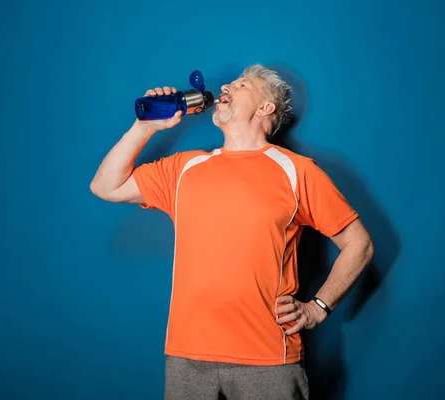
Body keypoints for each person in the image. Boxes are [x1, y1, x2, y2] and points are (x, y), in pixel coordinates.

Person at [90, 64, 375, 400]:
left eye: (240, 85)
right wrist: (145, 128)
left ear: (265, 107)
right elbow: (106, 186)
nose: (225, 85)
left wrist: (317, 308)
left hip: (268, 358)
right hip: (187, 356)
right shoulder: (185, 168)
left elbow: (360, 244)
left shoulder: (297, 172)